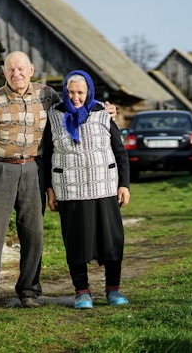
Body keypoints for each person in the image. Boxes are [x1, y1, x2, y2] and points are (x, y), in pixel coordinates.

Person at [0, 52, 117, 311]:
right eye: (11, 70)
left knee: (33, 235)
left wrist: (106, 108)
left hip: (34, 170)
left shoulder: (47, 95)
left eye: (22, 69)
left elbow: (76, 104)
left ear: (31, 69)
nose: (17, 74)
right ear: (5, 73)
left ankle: (29, 291)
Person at [43, 70, 131, 309]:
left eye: (80, 92)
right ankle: (82, 292)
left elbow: (119, 151)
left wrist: (124, 184)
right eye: (71, 92)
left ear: (88, 91)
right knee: (75, 242)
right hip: (70, 190)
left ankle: (113, 289)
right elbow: (48, 155)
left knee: (111, 240)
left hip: (104, 187)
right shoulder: (54, 115)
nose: (75, 97)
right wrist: (49, 189)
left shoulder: (102, 112)